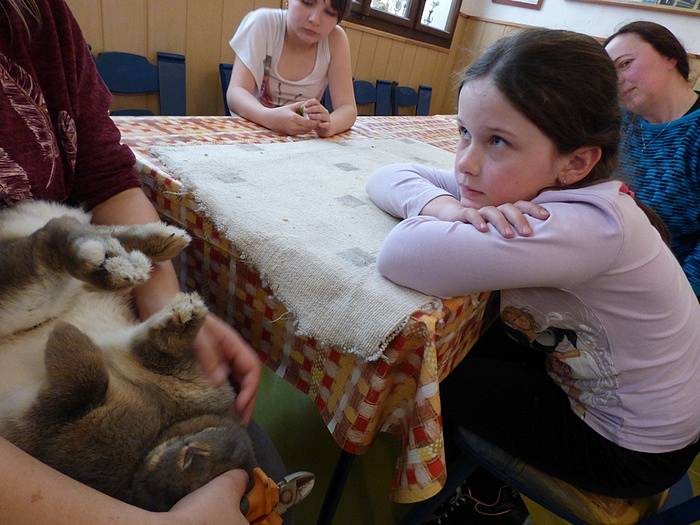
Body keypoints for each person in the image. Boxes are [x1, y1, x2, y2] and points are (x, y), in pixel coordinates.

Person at [366, 28, 700, 524]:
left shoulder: (583, 226)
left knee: (434, 375)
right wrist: (444, 205)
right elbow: (389, 174)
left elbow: (400, 254)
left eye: (497, 141)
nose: (464, 162)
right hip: (641, 408)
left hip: (631, 450)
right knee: (476, 341)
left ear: (577, 161)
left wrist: (448, 215)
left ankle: (477, 497)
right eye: (464, 132)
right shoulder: (554, 185)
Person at [0, 1, 285, 523]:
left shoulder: (42, 17)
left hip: (84, 320)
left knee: (251, 454)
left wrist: (164, 305)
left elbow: (106, 175)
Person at [604, 21, 700, 297]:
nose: (618, 79)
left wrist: (676, 300)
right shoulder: (621, 123)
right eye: (611, 73)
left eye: (625, 64)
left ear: (670, 56)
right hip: (606, 269)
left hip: (667, 290)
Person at [227, 0, 357, 137]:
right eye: (307, 2)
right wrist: (270, 117)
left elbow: (347, 108)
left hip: (302, 142)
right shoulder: (262, 23)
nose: (315, 19)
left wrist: (329, 125)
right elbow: (236, 92)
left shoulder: (336, 40)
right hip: (253, 133)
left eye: (330, 12)